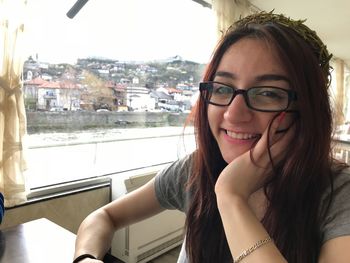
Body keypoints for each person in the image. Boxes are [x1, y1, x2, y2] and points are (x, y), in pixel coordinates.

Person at [73, 11, 350, 263]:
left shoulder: (339, 193)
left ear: (306, 110)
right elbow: (104, 217)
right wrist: (86, 259)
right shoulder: (195, 169)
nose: (233, 114)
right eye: (222, 89)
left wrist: (231, 197)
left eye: (268, 93)